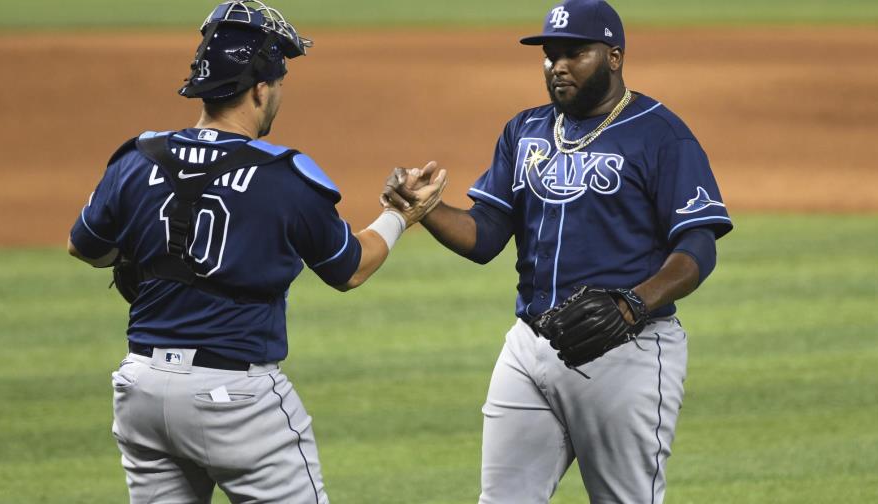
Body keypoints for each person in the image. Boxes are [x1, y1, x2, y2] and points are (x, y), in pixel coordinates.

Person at [67, 1, 445, 502]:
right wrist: (400, 215)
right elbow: (350, 268)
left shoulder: (137, 158)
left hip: (140, 388)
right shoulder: (283, 176)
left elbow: (85, 247)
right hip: (234, 400)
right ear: (260, 89)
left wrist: (141, 258)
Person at [382, 0, 732, 502]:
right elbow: (485, 235)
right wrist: (429, 210)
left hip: (626, 351)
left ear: (614, 56)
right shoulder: (524, 129)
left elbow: (698, 243)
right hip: (530, 348)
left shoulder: (661, 134)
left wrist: (632, 304)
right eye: (551, 54)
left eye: (575, 53)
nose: (558, 66)